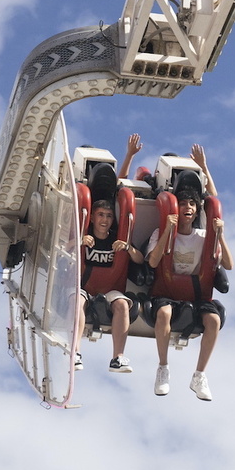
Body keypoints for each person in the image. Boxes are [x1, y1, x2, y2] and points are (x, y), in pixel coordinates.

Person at [145, 144, 234, 400]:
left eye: (192, 205)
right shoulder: (160, 233)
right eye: (183, 204)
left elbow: (228, 264)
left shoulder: (204, 235)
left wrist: (220, 236)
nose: (188, 208)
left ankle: (199, 376)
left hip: (196, 295)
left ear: (196, 210)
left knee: (214, 320)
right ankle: (163, 367)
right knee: (164, 312)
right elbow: (152, 262)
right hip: (167, 292)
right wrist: (166, 234)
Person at [75, 134, 144, 373]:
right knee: (78, 300)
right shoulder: (82, 232)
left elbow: (140, 260)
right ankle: (76, 352)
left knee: (123, 304)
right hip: (85, 288)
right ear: (92, 218)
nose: (104, 220)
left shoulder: (117, 237)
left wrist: (127, 247)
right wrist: (78, 242)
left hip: (109, 290)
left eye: (108, 216)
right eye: (100, 216)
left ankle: (119, 357)